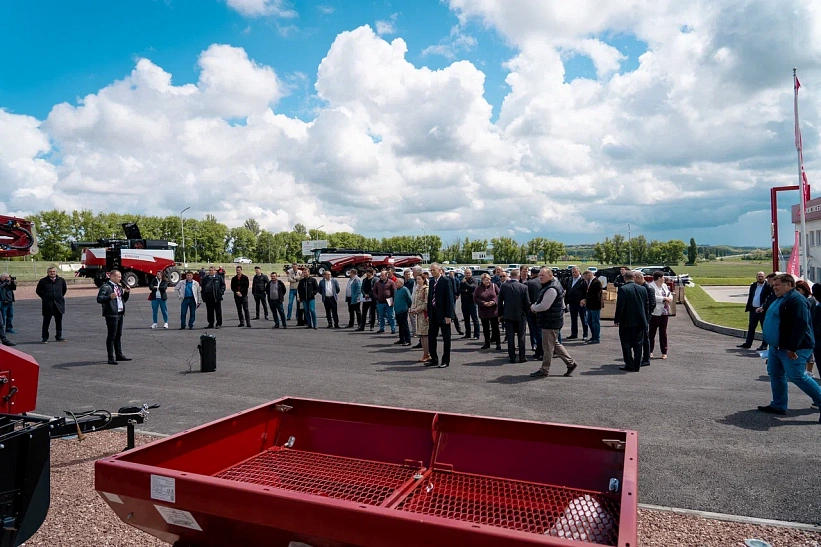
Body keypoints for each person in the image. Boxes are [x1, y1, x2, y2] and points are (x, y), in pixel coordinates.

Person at [756, 274, 821, 423]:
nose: (774, 287)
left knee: (797, 376)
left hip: (794, 348)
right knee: (775, 373)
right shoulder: (780, 298)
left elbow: (801, 325)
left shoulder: (796, 300)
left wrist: (792, 347)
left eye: (777, 285)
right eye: (773, 285)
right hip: (777, 347)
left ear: (788, 284)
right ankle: (778, 405)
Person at [529, 267, 578, 378]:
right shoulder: (550, 286)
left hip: (550, 322)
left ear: (550, 276)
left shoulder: (551, 288)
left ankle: (544, 369)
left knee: (547, 347)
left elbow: (544, 306)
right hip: (550, 320)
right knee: (554, 344)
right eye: (539, 275)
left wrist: (533, 307)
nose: (540, 277)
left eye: (543, 275)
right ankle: (570, 363)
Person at [614, 271, 648, 372]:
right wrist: (646, 319)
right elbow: (646, 305)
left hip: (627, 321)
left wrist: (617, 319)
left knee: (626, 344)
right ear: (634, 277)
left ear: (625, 278)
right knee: (638, 344)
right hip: (640, 321)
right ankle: (636, 365)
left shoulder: (623, 289)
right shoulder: (643, 289)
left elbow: (620, 306)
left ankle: (629, 364)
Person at [96, 270, 131, 365]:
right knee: (112, 335)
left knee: (118, 335)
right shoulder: (106, 287)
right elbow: (99, 299)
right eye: (118, 277)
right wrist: (109, 297)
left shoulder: (119, 287)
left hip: (119, 313)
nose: (120, 278)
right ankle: (110, 357)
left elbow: (123, 300)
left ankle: (119, 354)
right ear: (112, 277)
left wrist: (126, 293)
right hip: (111, 314)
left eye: (120, 277)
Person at [498, 269, 531, 363]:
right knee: (521, 337)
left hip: (508, 315)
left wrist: (500, 314)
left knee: (510, 336)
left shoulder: (504, 286)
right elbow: (527, 303)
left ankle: (512, 357)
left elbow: (500, 302)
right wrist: (527, 313)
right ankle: (522, 357)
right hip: (520, 315)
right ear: (518, 276)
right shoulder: (523, 287)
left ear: (510, 276)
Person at [426, 264, 453, 368]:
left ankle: (445, 360)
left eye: (434, 270)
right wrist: (428, 314)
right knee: (431, 337)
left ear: (440, 270)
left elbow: (449, 299)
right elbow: (429, 299)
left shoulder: (446, 281)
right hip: (433, 313)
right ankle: (434, 359)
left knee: (446, 338)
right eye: (431, 270)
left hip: (443, 314)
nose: (432, 272)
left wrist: (448, 315)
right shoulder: (432, 281)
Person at [738, 272, 773, 350]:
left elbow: (768, 299)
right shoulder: (753, 286)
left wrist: (763, 307)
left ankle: (764, 345)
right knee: (751, 327)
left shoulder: (768, 286)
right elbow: (751, 297)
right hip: (753, 309)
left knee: (764, 328)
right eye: (759, 276)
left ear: (765, 277)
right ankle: (748, 343)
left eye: (762, 276)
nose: (760, 278)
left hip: (762, 310)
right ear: (756, 277)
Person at [36, 266, 67, 343]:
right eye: (51, 272)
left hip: (58, 304)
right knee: (46, 322)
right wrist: (45, 297)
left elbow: (64, 290)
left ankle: (59, 336)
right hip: (48, 305)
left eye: (54, 271)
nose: (52, 273)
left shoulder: (61, 281)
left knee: (59, 322)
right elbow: (38, 291)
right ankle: (44, 337)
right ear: (48, 273)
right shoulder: (43, 281)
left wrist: (58, 297)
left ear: (56, 272)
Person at [649, 271, 673, 359]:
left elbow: (669, 294)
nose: (664, 279)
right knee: (652, 332)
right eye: (663, 277)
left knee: (663, 332)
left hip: (665, 312)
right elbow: (653, 297)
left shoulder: (664, 286)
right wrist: (664, 299)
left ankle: (664, 352)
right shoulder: (651, 286)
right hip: (655, 312)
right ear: (658, 278)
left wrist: (669, 299)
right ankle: (650, 351)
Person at [634, 271, 656, 366]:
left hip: (645, 317)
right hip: (641, 316)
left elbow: (652, 304)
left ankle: (646, 358)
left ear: (639, 278)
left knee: (645, 338)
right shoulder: (642, 287)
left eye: (634, 278)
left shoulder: (648, 288)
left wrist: (646, 316)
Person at [474, 273, 501, 351]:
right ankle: (487, 343)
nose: (489, 281)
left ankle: (498, 344)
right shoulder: (478, 288)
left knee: (495, 328)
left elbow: (499, 295)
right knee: (486, 328)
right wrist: (483, 303)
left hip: (493, 311)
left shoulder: (494, 286)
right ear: (482, 280)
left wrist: (493, 302)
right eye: (487, 280)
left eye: (489, 279)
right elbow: (475, 298)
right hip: (484, 311)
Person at [410, 274, 431, 362]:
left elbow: (426, 304)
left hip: (424, 315)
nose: (418, 281)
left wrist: (417, 310)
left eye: (419, 279)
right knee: (421, 335)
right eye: (417, 279)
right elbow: (414, 301)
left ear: (424, 280)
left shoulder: (426, 289)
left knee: (425, 334)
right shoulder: (417, 289)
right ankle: (425, 353)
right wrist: (412, 308)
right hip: (418, 315)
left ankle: (427, 354)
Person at [524, 267, 544, 357]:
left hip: (532, 310)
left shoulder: (528, 284)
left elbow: (526, 299)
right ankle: (541, 350)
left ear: (531, 274)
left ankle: (539, 350)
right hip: (543, 309)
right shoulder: (543, 282)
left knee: (536, 331)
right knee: (541, 331)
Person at [565, 266, 588, 340]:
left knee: (583, 319)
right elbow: (568, 291)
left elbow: (586, 291)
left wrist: (585, 300)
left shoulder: (583, 280)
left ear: (579, 272)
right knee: (573, 319)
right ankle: (574, 334)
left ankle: (585, 334)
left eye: (575, 272)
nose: (574, 273)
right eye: (573, 272)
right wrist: (566, 302)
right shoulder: (570, 280)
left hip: (581, 303)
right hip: (572, 302)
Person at [581, 269, 603, 344]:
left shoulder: (597, 282)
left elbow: (596, 295)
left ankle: (596, 338)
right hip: (590, 306)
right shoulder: (589, 282)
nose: (585, 279)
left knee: (595, 322)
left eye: (585, 277)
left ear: (589, 275)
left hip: (595, 305)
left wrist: (586, 300)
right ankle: (593, 336)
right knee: (589, 321)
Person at [458, 268, 480, 340]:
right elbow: (459, 290)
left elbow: (472, 288)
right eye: (466, 273)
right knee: (466, 319)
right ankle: (468, 334)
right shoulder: (463, 281)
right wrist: (465, 290)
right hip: (464, 302)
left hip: (472, 302)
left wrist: (466, 284)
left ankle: (476, 334)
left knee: (474, 319)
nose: (467, 274)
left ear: (471, 273)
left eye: (469, 273)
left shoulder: (474, 280)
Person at [393, 278, 413, 346]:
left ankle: (408, 340)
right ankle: (402, 339)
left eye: (397, 282)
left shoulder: (404, 289)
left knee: (405, 326)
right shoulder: (396, 290)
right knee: (400, 326)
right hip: (397, 310)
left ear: (402, 283)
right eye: (396, 282)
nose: (396, 283)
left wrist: (408, 307)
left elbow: (409, 299)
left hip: (403, 310)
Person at [0, 275, 15, 346]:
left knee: (9, 316)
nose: (7, 278)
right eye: (6, 277)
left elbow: (14, 288)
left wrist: (12, 282)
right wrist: (4, 283)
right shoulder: (1, 283)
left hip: (9, 301)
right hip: (3, 303)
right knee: (2, 318)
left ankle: (4, 337)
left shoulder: (8, 283)